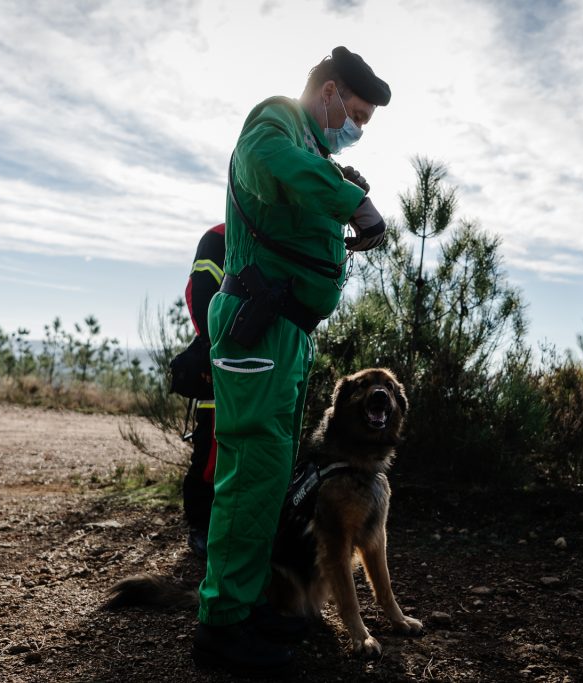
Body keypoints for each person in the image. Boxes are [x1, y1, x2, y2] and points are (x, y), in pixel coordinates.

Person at [192, 46, 391, 676]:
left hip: (288, 335)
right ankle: (222, 629)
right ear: (329, 92)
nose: (355, 126)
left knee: (272, 475)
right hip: (259, 327)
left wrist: (341, 209)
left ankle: (248, 607)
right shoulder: (274, 123)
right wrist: (351, 204)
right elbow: (269, 164)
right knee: (251, 473)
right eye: (355, 111)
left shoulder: (317, 153)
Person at [181, 223, 225, 559]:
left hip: (266, 366)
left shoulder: (279, 231)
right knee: (209, 451)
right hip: (220, 360)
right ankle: (200, 526)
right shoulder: (219, 237)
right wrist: (214, 345)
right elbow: (199, 292)